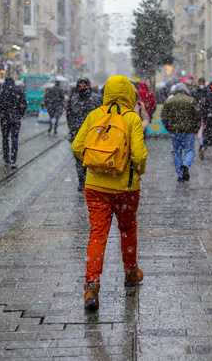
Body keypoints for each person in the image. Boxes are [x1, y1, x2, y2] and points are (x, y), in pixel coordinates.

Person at [72, 75, 147, 311]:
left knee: (97, 234)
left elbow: (76, 146)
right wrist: (137, 172)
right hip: (125, 188)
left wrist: (95, 163)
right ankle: (131, 271)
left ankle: (91, 285)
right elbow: (139, 156)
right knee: (127, 228)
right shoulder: (132, 118)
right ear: (129, 94)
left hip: (95, 187)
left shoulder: (95, 115)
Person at [67, 78, 102, 192]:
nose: (82, 88)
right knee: (79, 159)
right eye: (80, 86)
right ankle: (82, 183)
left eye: (84, 86)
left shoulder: (96, 99)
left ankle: (93, 182)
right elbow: (69, 116)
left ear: (89, 86)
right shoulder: (73, 99)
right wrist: (72, 130)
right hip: (78, 133)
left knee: (94, 158)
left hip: (94, 134)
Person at [161, 82, 201, 182]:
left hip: (175, 131)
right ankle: (186, 165)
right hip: (189, 130)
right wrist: (196, 128)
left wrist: (169, 128)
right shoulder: (191, 100)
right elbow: (198, 116)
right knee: (190, 150)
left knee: (177, 152)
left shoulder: (169, 101)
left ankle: (180, 174)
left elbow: (164, 117)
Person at [0, 77, 27, 168]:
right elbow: (24, 104)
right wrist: (19, 113)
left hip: (5, 119)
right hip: (15, 119)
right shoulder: (18, 91)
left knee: (5, 138)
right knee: (14, 139)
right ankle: (13, 159)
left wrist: (0, 115)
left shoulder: (1, 92)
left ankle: (6, 158)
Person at [193, 77, 210, 159]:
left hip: (205, 115)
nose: (201, 84)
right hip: (199, 115)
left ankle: (203, 145)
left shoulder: (207, 92)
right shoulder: (195, 92)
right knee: (200, 131)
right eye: (200, 83)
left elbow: (209, 102)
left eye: (202, 83)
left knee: (204, 131)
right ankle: (202, 145)